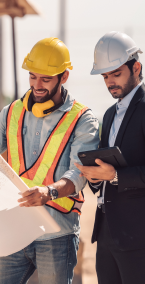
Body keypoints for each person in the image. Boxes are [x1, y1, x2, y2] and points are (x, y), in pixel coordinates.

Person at [0, 37, 99, 284]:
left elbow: (79, 175)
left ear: (64, 77)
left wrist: (50, 192)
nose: (37, 85)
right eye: (33, 77)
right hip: (14, 228)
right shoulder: (12, 112)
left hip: (56, 234)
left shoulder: (82, 119)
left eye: (45, 79)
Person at [75, 31, 145, 284]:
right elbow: (108, 172)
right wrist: (95, 177)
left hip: (138, 238)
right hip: (106, 235)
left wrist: (115, 176)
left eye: (116, 74)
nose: (110, 82)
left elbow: (119, 174)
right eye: (105, 76)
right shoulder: (109, 114)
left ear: (136, 68)